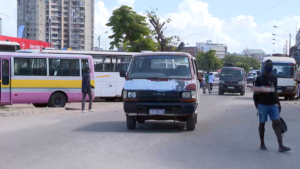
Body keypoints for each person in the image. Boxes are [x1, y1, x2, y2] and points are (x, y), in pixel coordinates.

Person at [253, 60, 291, 152]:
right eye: (268, 66)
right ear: (265, 67)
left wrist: (278, 103)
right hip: (262, 105)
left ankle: (281, 146)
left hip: (273, 104)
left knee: (277, 123)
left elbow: (274, 91)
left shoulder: (274, 78)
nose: (269, 67)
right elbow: (255, 91)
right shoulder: (259, 78)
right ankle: (262, 143)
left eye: (270, 66)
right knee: (262, 124)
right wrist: (257, 105)